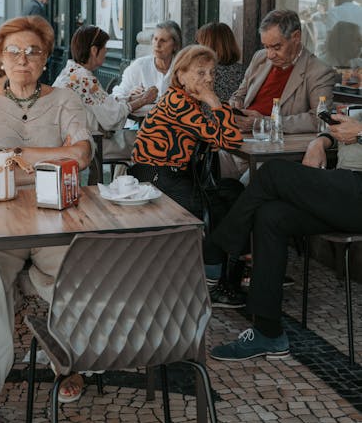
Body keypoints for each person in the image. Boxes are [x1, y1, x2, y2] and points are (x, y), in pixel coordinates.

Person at [0, 15, 92, 423]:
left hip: (55, 215)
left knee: (83, 260)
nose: (23, 59)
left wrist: (9, 153)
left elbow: (81, 154)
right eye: (13, 51)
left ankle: (69, 358)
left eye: (33, 52)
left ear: (46, 59)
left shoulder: (65, 100)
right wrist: (48, 154)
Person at [209, 112, 362, 361]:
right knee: (271, 216)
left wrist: (360, 134)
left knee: (273, 172)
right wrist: (321, 141)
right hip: (344, 190)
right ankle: (268, 333)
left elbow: (357, 130)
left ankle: (216, 251)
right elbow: (349, 125)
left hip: (355, 193)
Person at [131, 44, 244, 305]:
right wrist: (214, 101)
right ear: (180, 75)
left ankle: (234, 266)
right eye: (200, 72)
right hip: (154, 175)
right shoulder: (177, 101)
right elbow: (230, 140)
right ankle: (211, 283)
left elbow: (222, 138)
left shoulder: (186, 100)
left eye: (212, 73)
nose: (208, 79)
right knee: (212, 209)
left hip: (173, 174)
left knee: (235, 193)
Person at [53, 25, 157, 166]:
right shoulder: (84, 79)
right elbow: (111, 117)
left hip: (69, 142)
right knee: (151, 141)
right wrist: (143, 100)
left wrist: (132, 99)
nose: (106, 52)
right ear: (94, 50)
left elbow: (103, 104)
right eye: (105, 48)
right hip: (90, 145)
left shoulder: (70, 73)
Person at [112, 20, 182, 114]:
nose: (157, 45)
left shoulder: (182, 68)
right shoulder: (140, 66)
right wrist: (131, 96)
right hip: (141, 124)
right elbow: (116, 96)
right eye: (155, 39)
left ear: (175, 45)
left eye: (163, 41)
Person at [196, 22, 246, 102]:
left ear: (210, 45)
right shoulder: (244, 70)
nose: (197, 48)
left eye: (200, 43)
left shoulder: (205, 73)